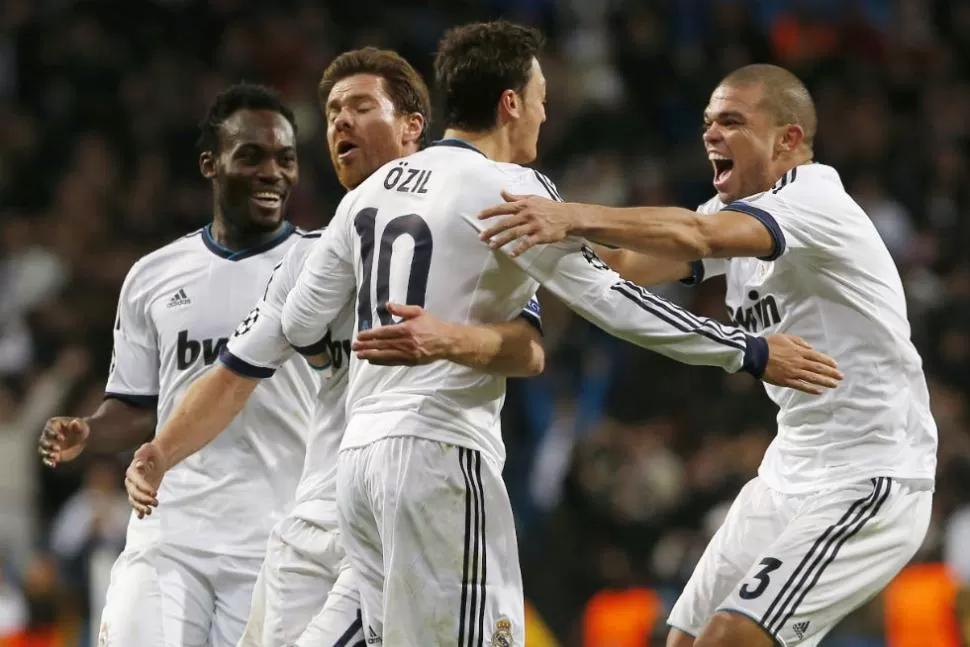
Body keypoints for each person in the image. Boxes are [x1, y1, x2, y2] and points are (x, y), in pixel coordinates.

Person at [273, 24, 841, 646]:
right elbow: (612, 300)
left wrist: (358, 358)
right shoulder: (506, 189)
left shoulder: (369, 193)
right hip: (437, 455)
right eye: (541, 96)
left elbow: (299, 322)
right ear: (511, 103)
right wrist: (748, 350)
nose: (546, 113)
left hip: (356, 464)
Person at [475, 63, 937, 647]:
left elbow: (698, 237)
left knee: (732, 638)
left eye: (733, 121)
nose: (711, 134)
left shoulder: (815, 200)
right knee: (687, 640)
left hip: (871, 473)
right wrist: (515, 236)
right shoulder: (734, 213)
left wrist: (569, 214)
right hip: (789, 470)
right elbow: (625, 266)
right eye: (708, 122)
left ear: (788, 139)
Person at [123, 48, 545, 647]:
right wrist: (161, 452)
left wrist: (447, 338)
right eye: (331, 112)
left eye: (359, 106)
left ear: (412, 126)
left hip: (402, 503)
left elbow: (528, 350)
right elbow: (237, 371)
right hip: (314, 515)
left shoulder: (466, 214)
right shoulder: (305, 258)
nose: (340, 121)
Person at [37, 83, 324, 647]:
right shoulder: (153, 276)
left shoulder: (320, 264)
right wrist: (91, 430)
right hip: (168, 534)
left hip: (275, 540)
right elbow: (139, 405)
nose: (273, 172)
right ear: (210, 165)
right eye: (252, 156)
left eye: (285, 159)